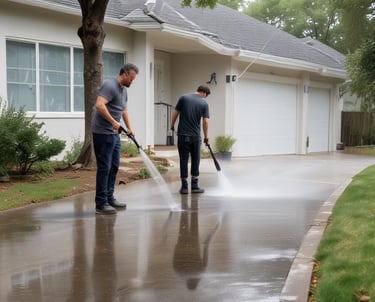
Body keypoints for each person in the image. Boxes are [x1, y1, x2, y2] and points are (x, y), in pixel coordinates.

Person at [91, 63, 139, 215]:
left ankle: (109, 197)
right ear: (124, 73)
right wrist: (113, 122)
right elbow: (99, 105)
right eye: (131, 78)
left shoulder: (123, 91)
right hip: (102, 133)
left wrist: (129, 127)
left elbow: (123, 109)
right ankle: (101, 203)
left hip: (114, 134)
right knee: (104, 168)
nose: (132, 81)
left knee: (114, 166)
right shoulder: (110, 85)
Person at [170, 85, 210, 194]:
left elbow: (175, 113)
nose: (204, 98)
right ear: (204, 93)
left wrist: (172, 125)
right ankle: (195, 186)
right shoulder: (204, 103)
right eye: (205, 96)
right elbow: (205, 122)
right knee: (195, 159)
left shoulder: (183, 97)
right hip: (196, 136)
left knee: (183, 159)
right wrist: (206, 137)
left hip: (183, 135)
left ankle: (184, 187)